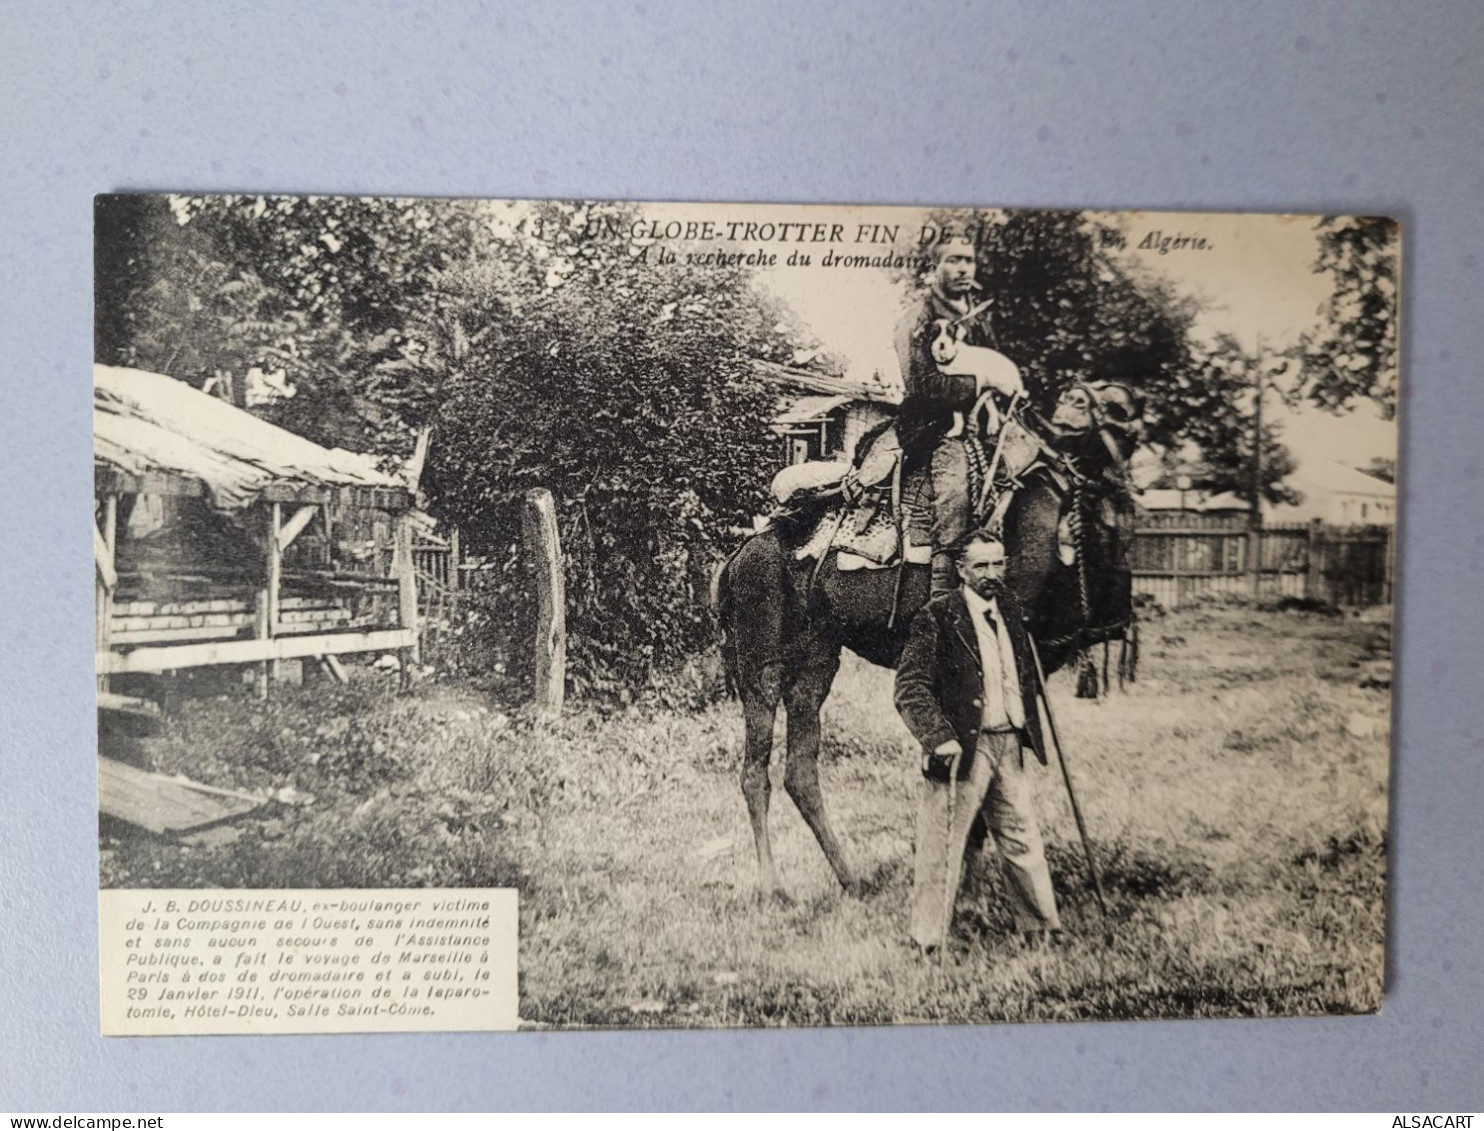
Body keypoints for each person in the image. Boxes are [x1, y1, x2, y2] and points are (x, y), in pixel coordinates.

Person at [893, 531, 1062, 953]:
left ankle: (1040, 929)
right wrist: (938, 738)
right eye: (981, 566)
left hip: (1009, 742)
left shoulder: (1010, 610)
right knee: (942, 846)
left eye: (998, 564)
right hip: (962, 750)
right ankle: (927, 940)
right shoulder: (937, 616)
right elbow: (910, 687)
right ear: (961, 569)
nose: (991, 574)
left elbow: (1019, 673)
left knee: (1022, 836)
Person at [894, 234, 1022, 595]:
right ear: (934, 268)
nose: (964, 267)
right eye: (953, 259)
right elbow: (923, 385)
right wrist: (979, 381)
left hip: (985, 425)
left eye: (969, 259)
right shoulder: (917, 319)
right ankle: (941, 601)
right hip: (934, 430)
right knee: (956, 499)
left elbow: (997, 365)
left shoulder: (977, 316)